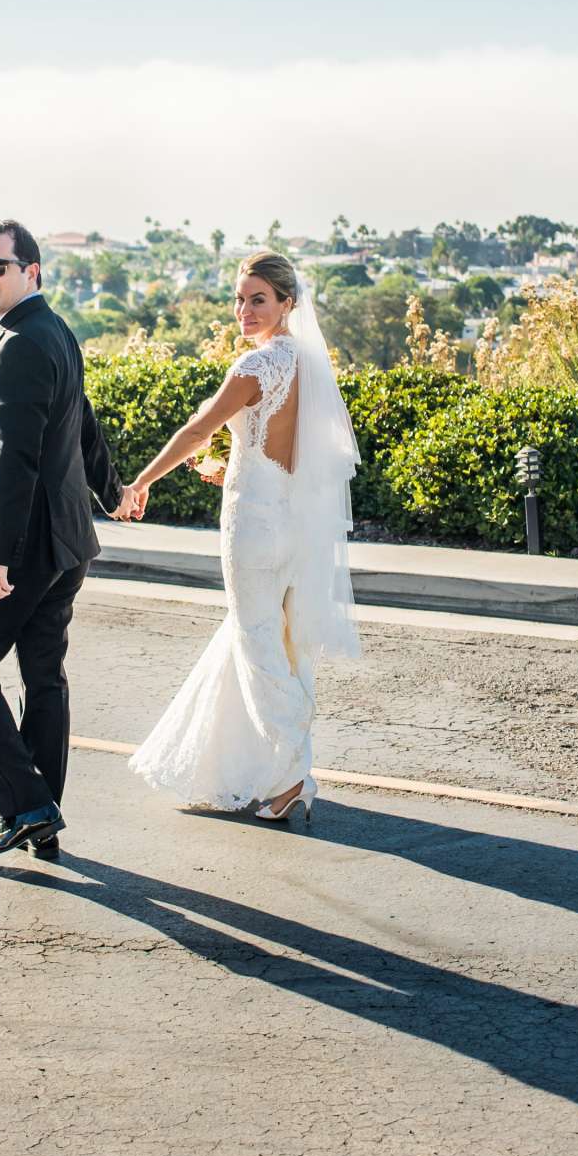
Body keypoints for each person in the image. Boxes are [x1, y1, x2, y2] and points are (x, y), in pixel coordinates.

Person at [115, 249, 361, 825]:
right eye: (239, 298)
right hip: (292, 522)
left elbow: (199, 428)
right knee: (277, 637)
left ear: (286, 304)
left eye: (258, 299)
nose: (244, 310)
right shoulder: (307, 365)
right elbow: (298, 455)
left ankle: (289, 770)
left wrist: (140, 482)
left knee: (256, 641)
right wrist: (236, 467)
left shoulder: (254, 368)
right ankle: (266, 769)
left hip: (253, 526)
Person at [0, 218, 123, 860]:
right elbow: (83, 426)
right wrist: (112, 491)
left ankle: (28, 805)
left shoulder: (20, 342)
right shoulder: (51, 330)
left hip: (20, 547)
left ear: (31, 272)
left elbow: (10, 460)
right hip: (66, 542)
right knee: (43, 677)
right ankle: (42, 816)